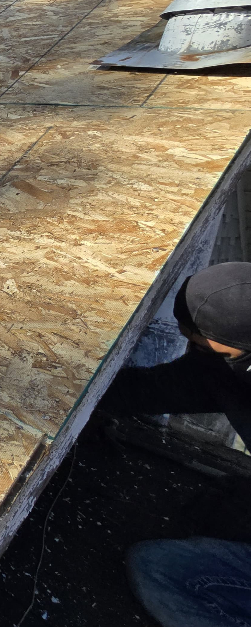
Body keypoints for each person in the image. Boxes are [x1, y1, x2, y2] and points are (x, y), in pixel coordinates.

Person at [101, 261, 251, 626]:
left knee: (160, 571)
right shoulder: (227, 366)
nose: (191, 346)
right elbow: (165, 387)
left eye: (199, 342)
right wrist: (84, 394)